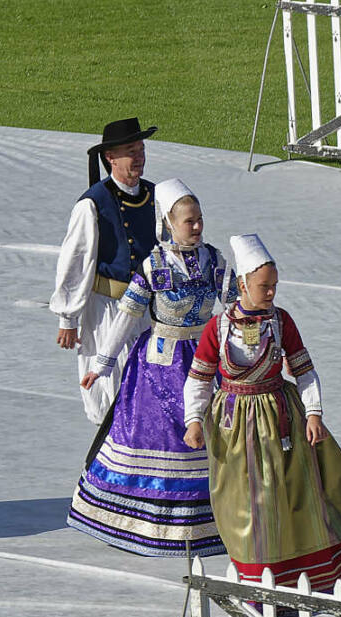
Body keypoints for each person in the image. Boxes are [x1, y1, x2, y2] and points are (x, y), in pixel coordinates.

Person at [182, 235, 341, 592]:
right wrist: (193, 420)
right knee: (245, 506)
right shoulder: (218, 328)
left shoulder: (281, 322)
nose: (270, 293)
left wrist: (313, 414)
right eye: (264, 286)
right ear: (242, 285)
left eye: (274, 286)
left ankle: (299, 580)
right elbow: (198, 379)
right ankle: (256, 582)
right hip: (234, 426)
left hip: (282, 422)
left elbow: (304, 371)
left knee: (290, 500)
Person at [69, 179, 232, 556]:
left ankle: (210, 522)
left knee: (209, 437)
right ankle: (151, 526)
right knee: (157, 438)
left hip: (204, 359)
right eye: (189, 220)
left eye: (200, 219)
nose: (197, 227)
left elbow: (235, 306)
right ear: (169, 223)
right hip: (160, 365)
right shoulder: (155, 265)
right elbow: (128, 314)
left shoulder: (214, 260)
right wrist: (103, 364)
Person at [53, 118, 160, 421]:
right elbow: (76, 261)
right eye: (131, 150)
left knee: (149, 391)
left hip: (149, 311)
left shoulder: (157, 197)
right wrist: (68, 317)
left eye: (141, 149)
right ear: (110, 157)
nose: (139, 156)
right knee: (110, 391)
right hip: (108, 311)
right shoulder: (93, 204)